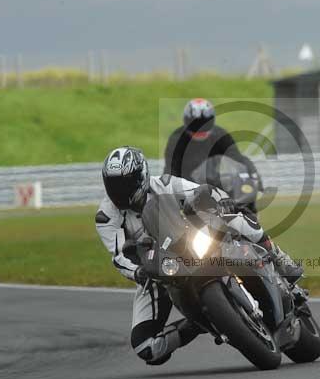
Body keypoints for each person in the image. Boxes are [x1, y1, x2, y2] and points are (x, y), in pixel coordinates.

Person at [95, 146, 302, 366]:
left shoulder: (164, 184)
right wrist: (138, 272)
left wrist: (219, 199)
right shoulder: (106, 217)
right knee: (146, 348)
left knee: (233, 216)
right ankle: (197, 324)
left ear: (142, 176)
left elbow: (200, 191)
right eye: (113, 185)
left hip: (190, 239)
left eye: (125, 184)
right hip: (156, 271)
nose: (119, 191)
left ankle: (279, 257)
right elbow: (119, 257)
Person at [163, 98, 261, 186]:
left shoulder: (220, 135)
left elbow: (237, 158)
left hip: (216, 183)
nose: (200, 130)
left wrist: (251, 178)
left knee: (243, 164)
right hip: (186, 185)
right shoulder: (176, 139)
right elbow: (171, 170)